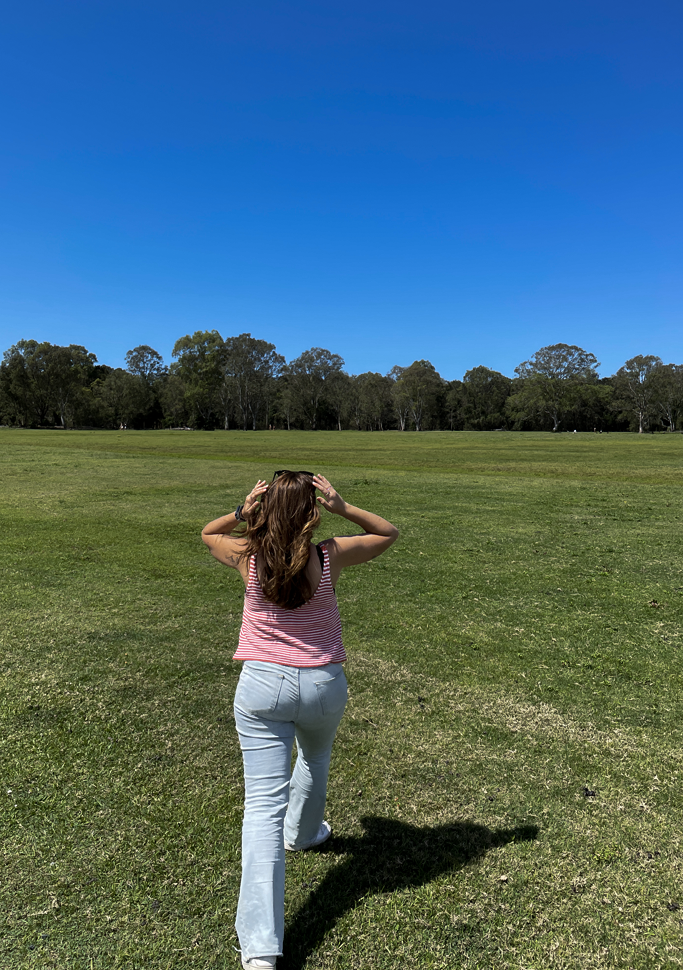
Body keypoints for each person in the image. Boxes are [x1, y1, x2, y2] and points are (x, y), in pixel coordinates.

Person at [201, 471, 399, 969]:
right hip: (323, 684)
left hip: (262, 686)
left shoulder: (248, 555)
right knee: (316, 757)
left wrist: (243, 512)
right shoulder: (328, 555)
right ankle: (305, 831)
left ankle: (261, 951)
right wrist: (343, 505)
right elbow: (386, 533)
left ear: (265, 512)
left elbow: (207, 533)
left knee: (261, 808)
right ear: (313, 513)